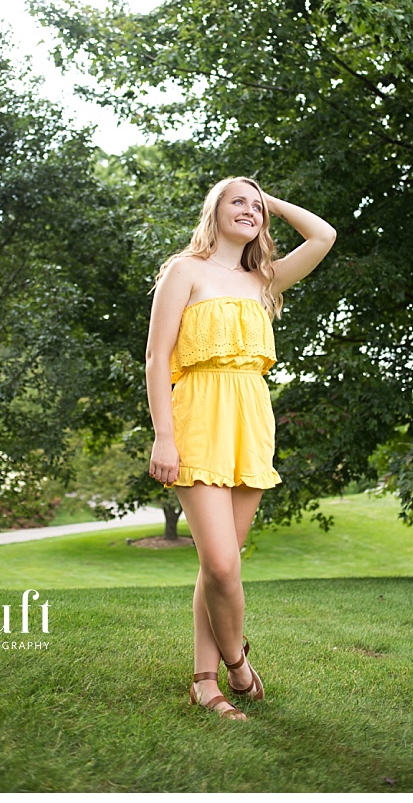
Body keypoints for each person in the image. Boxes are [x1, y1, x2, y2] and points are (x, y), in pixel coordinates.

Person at [143, 176, 335, 721]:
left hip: (251, 419)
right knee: (223, 566)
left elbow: (323, 236)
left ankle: (205, 681)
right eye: (238, 201)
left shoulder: (264, 278)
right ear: (215, 211)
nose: (249, 210)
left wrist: (270, 201)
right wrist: (164, 435)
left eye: (257, 206)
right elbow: (158, 359)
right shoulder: (184, 271)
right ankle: (237, 663)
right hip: (198, 416)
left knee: (217, 565)